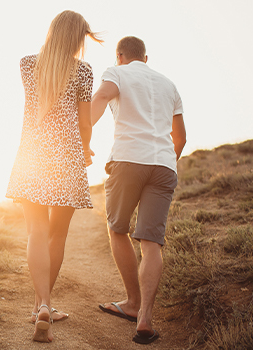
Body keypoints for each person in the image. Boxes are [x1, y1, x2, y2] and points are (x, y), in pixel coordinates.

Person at [5, 10, 101, 343]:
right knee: (56, 236)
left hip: (32, 156)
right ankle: (44, 304)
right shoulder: (84, 71)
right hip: (67, 159)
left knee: (35, 231)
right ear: (78, 37)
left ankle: (40, 305)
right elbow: (85, 124)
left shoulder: (26, 64)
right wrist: (86, 150)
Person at [91, 36, 187, 345]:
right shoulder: (169, 84)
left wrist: (83, 137)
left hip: (128, 159)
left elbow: (101, 97)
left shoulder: (117, 72)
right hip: (164, 164)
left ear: (120, 56)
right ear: (146, 58)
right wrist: (162, 161)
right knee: (151, 243)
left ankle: (132, 303)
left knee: (117, 229)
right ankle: (145, 317)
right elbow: (180, 138)